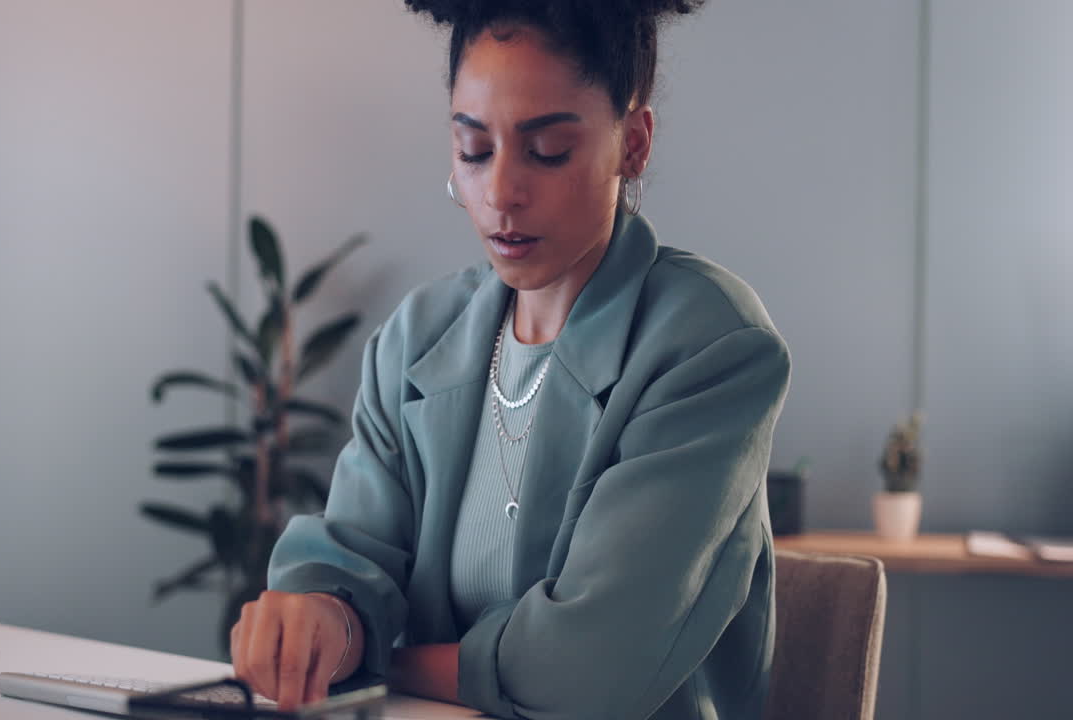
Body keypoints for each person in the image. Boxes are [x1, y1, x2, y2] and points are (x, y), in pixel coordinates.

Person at [230, 2, 791, 718]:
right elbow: (353, 559)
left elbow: (586, 670)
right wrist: (322, 623)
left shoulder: (708, 345)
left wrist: (382, 663)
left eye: (548, 150)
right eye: (473, 150)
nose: (499, 193)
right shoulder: (416, 337)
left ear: (634, 143)